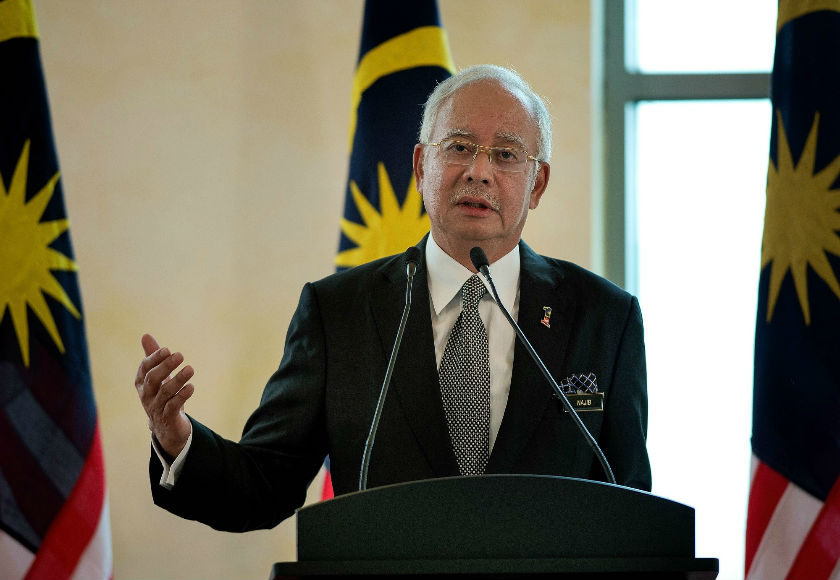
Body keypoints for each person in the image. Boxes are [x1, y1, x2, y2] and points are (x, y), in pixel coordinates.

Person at [134, 64, 651, 533]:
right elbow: (265, 485)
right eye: (459, 147)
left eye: (506, 155)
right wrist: (178, 438)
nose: (479, 171)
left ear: (536, 184)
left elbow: (630, 504)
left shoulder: (605, 319)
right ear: (422, 165)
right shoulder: (338, 312)